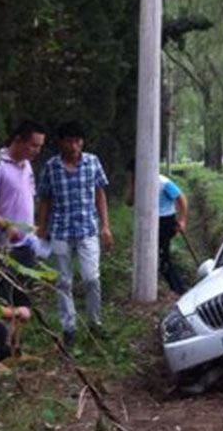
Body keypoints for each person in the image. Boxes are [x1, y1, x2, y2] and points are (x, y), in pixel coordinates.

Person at [37, 121, 112, 347]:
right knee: (63, 281)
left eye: (78, 140)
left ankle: (94, 322)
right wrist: (42, 227)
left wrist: (105, 226)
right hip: (60, 230)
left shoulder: (92, 162)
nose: (74, 145)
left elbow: (100, 194)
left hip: (88, 229)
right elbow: (45, 199)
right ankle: (68, 327)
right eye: (69, 140)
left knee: (91, 278)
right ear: (61, 141)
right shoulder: (51, 166)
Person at [0, 120, 47, 268]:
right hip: (0, 243)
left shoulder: (27, 165)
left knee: (24, 288)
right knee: (1, 288)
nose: (37, 151)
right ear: (18, 140)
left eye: (40, 146)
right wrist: (5, 226)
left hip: (26, 242)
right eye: (33, 145)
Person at [126, 162, 189, 295]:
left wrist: (182, 220)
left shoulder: (163, 182)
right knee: (150, 254)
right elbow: (129, 202)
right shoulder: (139, 184)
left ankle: (179, 289)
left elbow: (181, 199)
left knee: (162, 256)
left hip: (165, 222)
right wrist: (134, 186)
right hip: (147, 222)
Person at [0, 243, 32, 379]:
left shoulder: (6, 276)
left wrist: (23, 311)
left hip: (4, 324)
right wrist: (15, 312)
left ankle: (13, 351)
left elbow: (24, 303)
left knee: (5, 323)